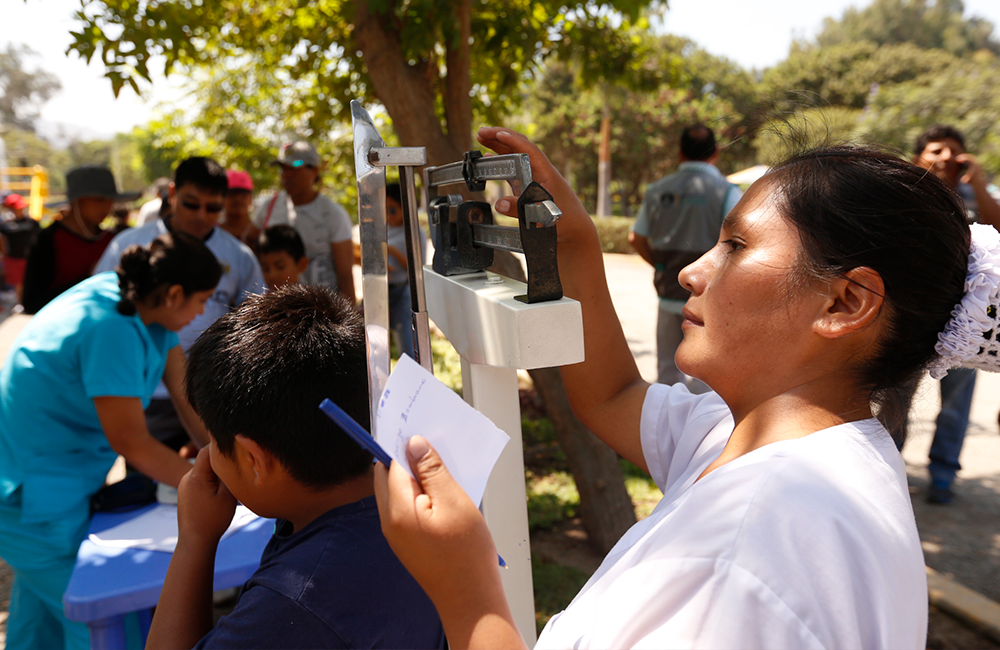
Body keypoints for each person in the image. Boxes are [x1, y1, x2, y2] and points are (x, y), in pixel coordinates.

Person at [373, 128, 985, 649]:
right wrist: (576, 244)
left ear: (843, 302)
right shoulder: (755, 438)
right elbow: (612, 395)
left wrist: (467, 594)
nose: (691, 271)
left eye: (737, 246)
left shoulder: (745, 550)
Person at [146, 284, 446, 649]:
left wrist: (194, 541)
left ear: (254, 459)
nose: (207, 456)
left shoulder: (291, 603)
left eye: (212, 441)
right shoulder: (418, 509)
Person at [0, 233, 220, 650]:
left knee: (39, 622)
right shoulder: (111, 327)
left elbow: (186, 398)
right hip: (30, 495)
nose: (203, 311)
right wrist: (210, 484)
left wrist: (222, 457)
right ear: (175, 294)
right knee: (104, 621)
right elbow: (133, 444)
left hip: (57, 482)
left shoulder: (140, 301)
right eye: (202, 299)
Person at [94, 157, 265, 451]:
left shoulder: (239, 256)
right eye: (191, 204)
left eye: (213, 208)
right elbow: (102, 314)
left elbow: (255, 326)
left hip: (210, 395)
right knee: (148, 482)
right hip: (142, 391)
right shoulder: (128, 245)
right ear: (171, 194)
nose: (201, 215)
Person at [911, 124, 1000, 504]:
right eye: (936, 151)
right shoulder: (904, 194)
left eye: (954, 152)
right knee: (897, 396)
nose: (946, 157)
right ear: (918, 159)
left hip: (965, 323)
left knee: (956, 407)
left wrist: (978, 182)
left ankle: (943, 477)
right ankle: (885, 471)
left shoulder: (974, 196)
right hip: (911, 317)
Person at [628, 124, 742, 389]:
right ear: (716, 152)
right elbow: (740, 242)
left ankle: (668, 429)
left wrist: (659, 264)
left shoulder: (657, 190)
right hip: (710, 299)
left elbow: (636, 237)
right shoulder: (727, 191)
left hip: (668, 290)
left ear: (680, 153)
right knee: (707, 375)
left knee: (668, 371)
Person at [22, 165, 139, 314]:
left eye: (111, 200)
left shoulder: (114, 239)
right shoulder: (47, 240)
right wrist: (90, 279)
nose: (108, 207)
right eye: (100, 200)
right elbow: (32, 303)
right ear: (77, 201)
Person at [248, 141, 356, 302]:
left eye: (294, 167)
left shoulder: (332, 214)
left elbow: (345, 275)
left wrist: (351, 319)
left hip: (320, 310)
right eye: (283, 168)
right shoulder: (269, 206)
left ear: (314, 171)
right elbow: (248, 240)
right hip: (279, 309)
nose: (286, 175)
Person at [385, 182, 427, 359]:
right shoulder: (384, 228)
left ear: (405, 208)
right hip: (384, 289)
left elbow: (416, 268)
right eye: (384, 210)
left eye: (392, 210)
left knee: (407, 348)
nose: (388, 215)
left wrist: (391, 250)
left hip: (404, 291)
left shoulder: (415, 232)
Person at [0, 194, 40, 302]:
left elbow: (39, 238)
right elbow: (2, 242)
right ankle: (21, 302)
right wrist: (4, 256)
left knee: (33, 279)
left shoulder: (32, 222)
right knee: (19, 283)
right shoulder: (6, 225)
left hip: (31, 257)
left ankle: (33, 299)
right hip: (14, 258)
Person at [257, 224, 309, 289]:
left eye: (280, 267)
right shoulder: (258, 296)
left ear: (301, 264)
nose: (272, 275)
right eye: (265, 269)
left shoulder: (312, 298)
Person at [220, 169, 255, 244]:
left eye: (243, 194)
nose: (238, 199)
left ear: (251, 199)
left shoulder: (259, 232)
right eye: (232, 194)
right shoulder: (210, 232)